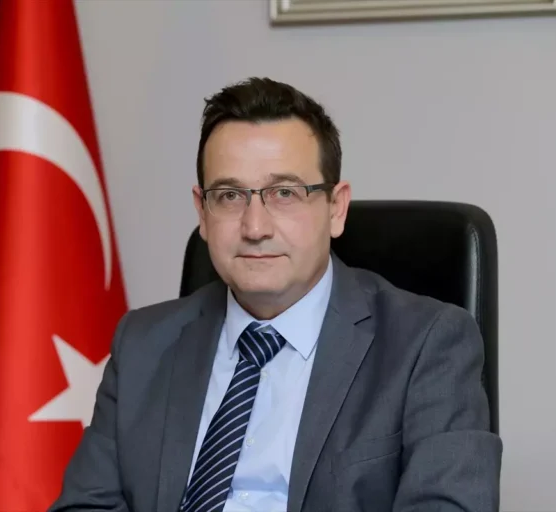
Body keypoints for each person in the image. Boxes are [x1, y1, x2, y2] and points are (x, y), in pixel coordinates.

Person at [49, 77, 502, 512]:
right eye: (229, 196)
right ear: (202, 213)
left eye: (284, 192)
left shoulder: (427, 346)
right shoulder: (144, 344)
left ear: (336, 207)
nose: (255, 227)